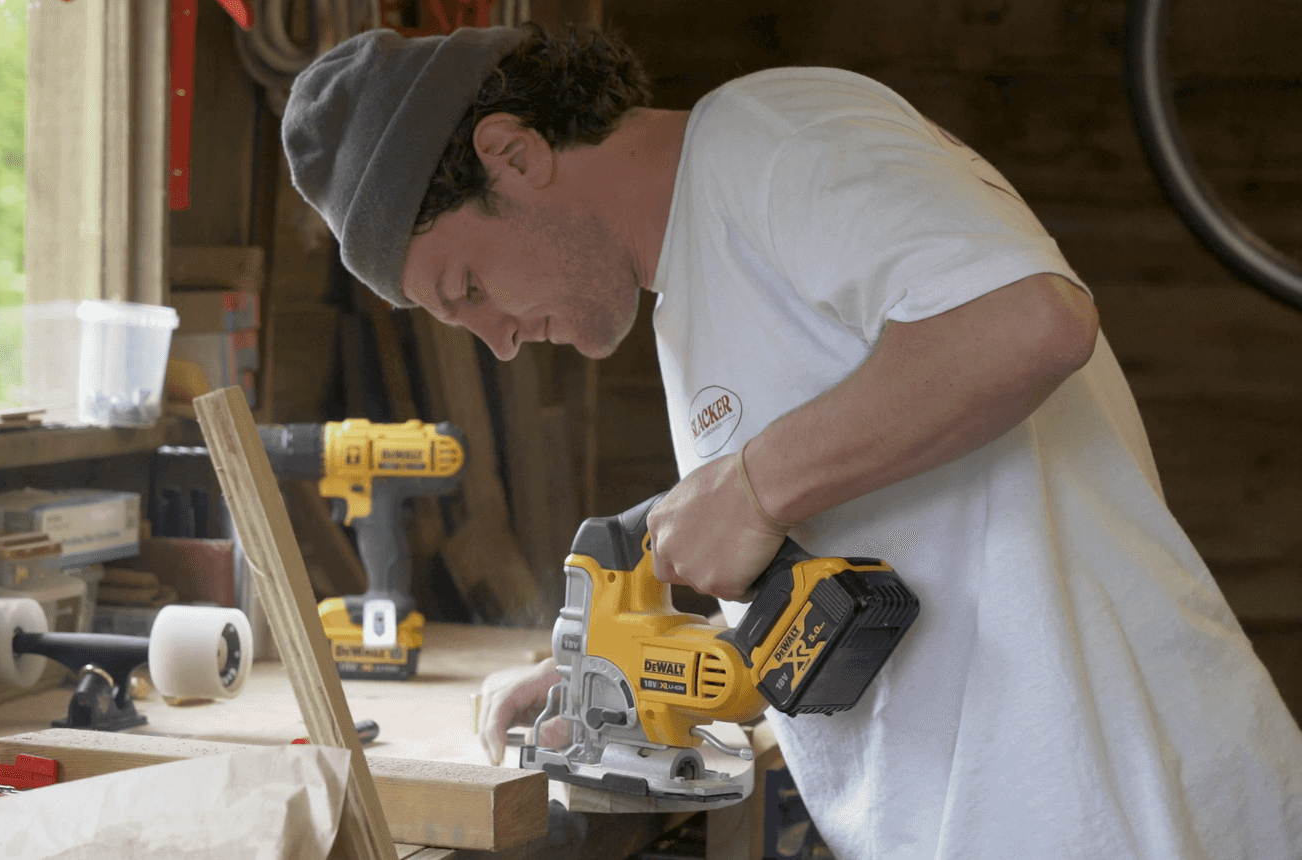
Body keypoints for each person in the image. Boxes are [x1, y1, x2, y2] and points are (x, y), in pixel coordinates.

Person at [281, 23, 1302, 859]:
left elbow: (1032, 319)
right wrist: (614, 665)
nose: (498, 340)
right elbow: (863, 531)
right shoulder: (696, 279)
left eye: (468, 287)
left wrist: (755, 484)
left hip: (1117, 814)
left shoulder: (775, 139)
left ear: (514, 152)